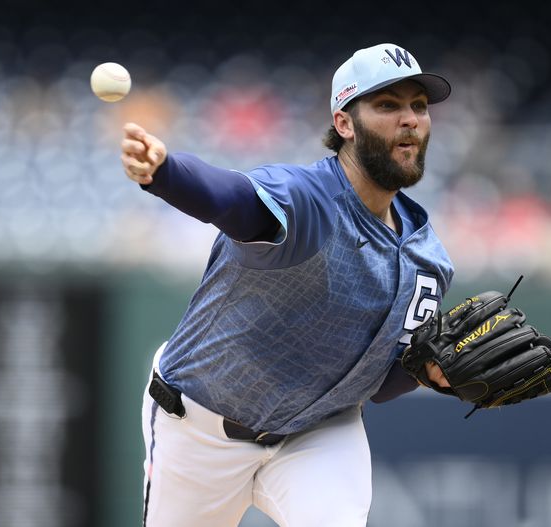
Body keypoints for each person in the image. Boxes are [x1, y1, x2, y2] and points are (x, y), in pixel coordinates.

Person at [120, 43, 454, 527]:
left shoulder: (430, 260)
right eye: (387, 105)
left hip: (318, 432)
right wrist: (166, 173)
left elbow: (380, 385)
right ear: (344, 123)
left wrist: (430, 371)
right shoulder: (306, 199)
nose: (410, 119)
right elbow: (234, 200)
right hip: (200, 429)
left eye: (418, 106)